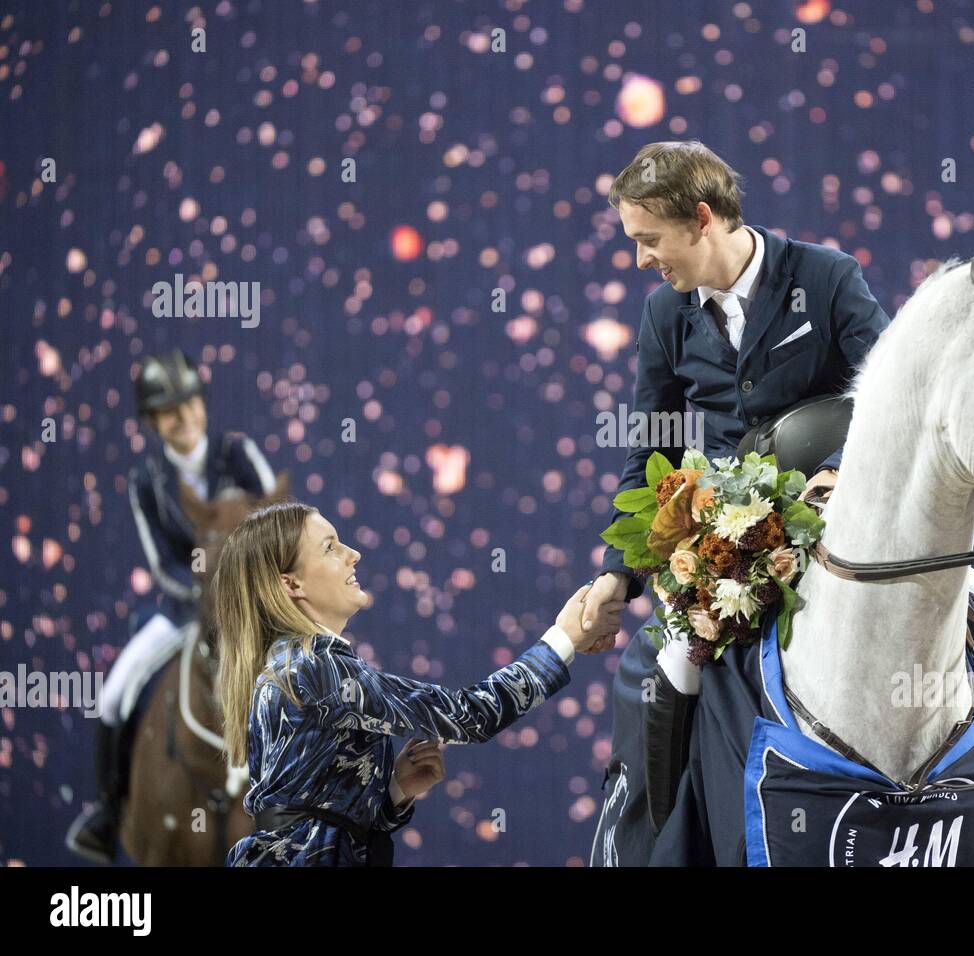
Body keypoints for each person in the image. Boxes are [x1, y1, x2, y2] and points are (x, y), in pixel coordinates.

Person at [579, 141, 892, 866]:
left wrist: (841, 473)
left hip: (839, 525)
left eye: (648, 241)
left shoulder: (827, 276)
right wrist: (613, 577)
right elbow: (646, 455)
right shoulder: (665, 314)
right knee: (645, 677)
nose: (640, 260)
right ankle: (642, 846)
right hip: (725, 546)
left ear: (702, 219)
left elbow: (889, 397)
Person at [215, 501, 621, 866]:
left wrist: (392, 791)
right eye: (330, 547)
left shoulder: (290, 663)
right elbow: (471, 715)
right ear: (291, 584)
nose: (353, 555)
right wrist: (564, 638)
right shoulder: (316, 665)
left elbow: (312, 813)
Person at [66, 350, 279, 863]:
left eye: (189, 404)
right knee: (115, 693)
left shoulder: (239, 453)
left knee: (309, 679)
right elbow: (161, 563)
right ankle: (106, 811)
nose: (183, 418)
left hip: (254, 609)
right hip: (185, 611)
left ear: (203, 404)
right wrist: (206, 597)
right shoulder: (147, 478)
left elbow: (282, 527)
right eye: (168, 410)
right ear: (152, 422)